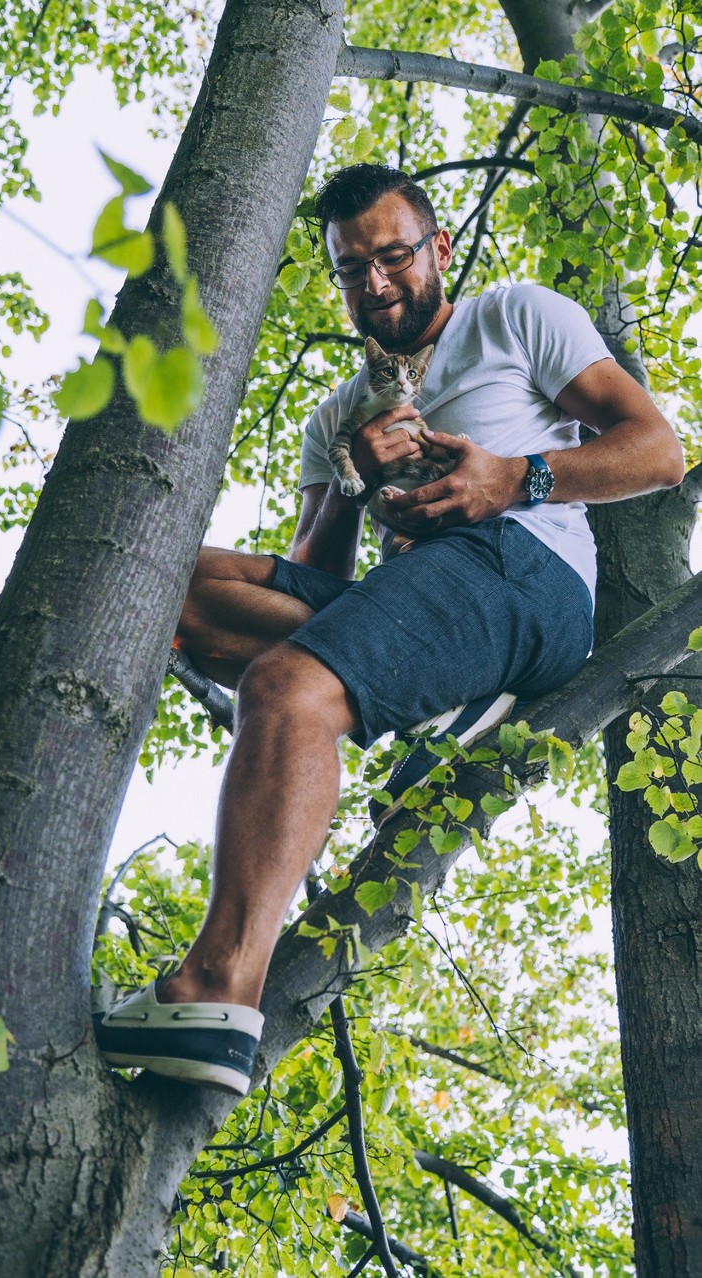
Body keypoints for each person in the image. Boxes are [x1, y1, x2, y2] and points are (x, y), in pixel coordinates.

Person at [93, 164, 684, 1096]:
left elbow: (658, 450)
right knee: (178, 584)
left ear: (438, 250)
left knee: (285, 689)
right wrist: (355, 480)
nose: (376, 285)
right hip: (414, 600)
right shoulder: (336, 414)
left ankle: (217, 989)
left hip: (526, 570)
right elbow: (315, 586)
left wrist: (512, 478)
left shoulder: (514, 316)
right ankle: (451, 699)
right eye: (352, 269)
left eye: (394, 257)